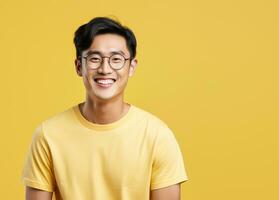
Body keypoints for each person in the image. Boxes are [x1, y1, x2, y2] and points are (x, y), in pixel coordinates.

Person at [21, 17, 189, 200]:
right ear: (79, 66)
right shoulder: (48, 135)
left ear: (131, 67)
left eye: (116, 59)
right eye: (94, 58)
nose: (105, 68)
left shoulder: (158, 136)